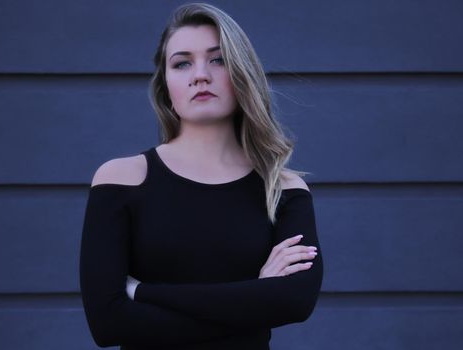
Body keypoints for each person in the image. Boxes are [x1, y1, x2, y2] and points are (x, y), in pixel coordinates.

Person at [79, 3, 323, 350]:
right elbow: (108, 324)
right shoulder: (122, 179)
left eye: (217, 59)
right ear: (166, 86)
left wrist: (145, 293)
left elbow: (294, 302)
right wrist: (255, 299)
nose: (200, 75)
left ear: (242, 73)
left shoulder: (283, 188)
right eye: (182, 63)